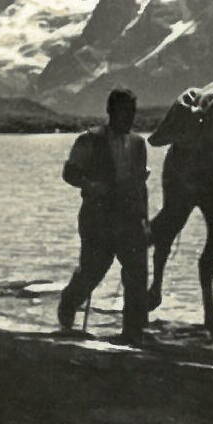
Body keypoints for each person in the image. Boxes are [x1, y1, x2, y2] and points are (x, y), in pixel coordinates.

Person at [57, 88, 150, 343]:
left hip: (129, 217)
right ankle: (68, 304)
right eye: (124, 111)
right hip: (98, 218)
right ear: (111, 112)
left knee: (137, 271)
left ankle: (133, 331)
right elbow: (69, 173)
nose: (129, 117)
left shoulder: (139, 144)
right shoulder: (89, 140)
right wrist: (90, 185)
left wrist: (145, 219)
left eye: (132, 112)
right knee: (93, 269)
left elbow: (142, 185)